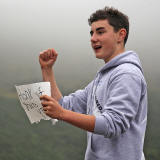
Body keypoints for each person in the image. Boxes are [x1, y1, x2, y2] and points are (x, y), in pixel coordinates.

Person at [39, 6, 147, 160]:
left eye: (100, 32)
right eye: (92, 33)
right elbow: (63, 105)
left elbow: (113, 124)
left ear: (121, 35)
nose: (93, 38)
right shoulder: (103, 77)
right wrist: (47, 70)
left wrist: (61, 114)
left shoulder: (127, 74)